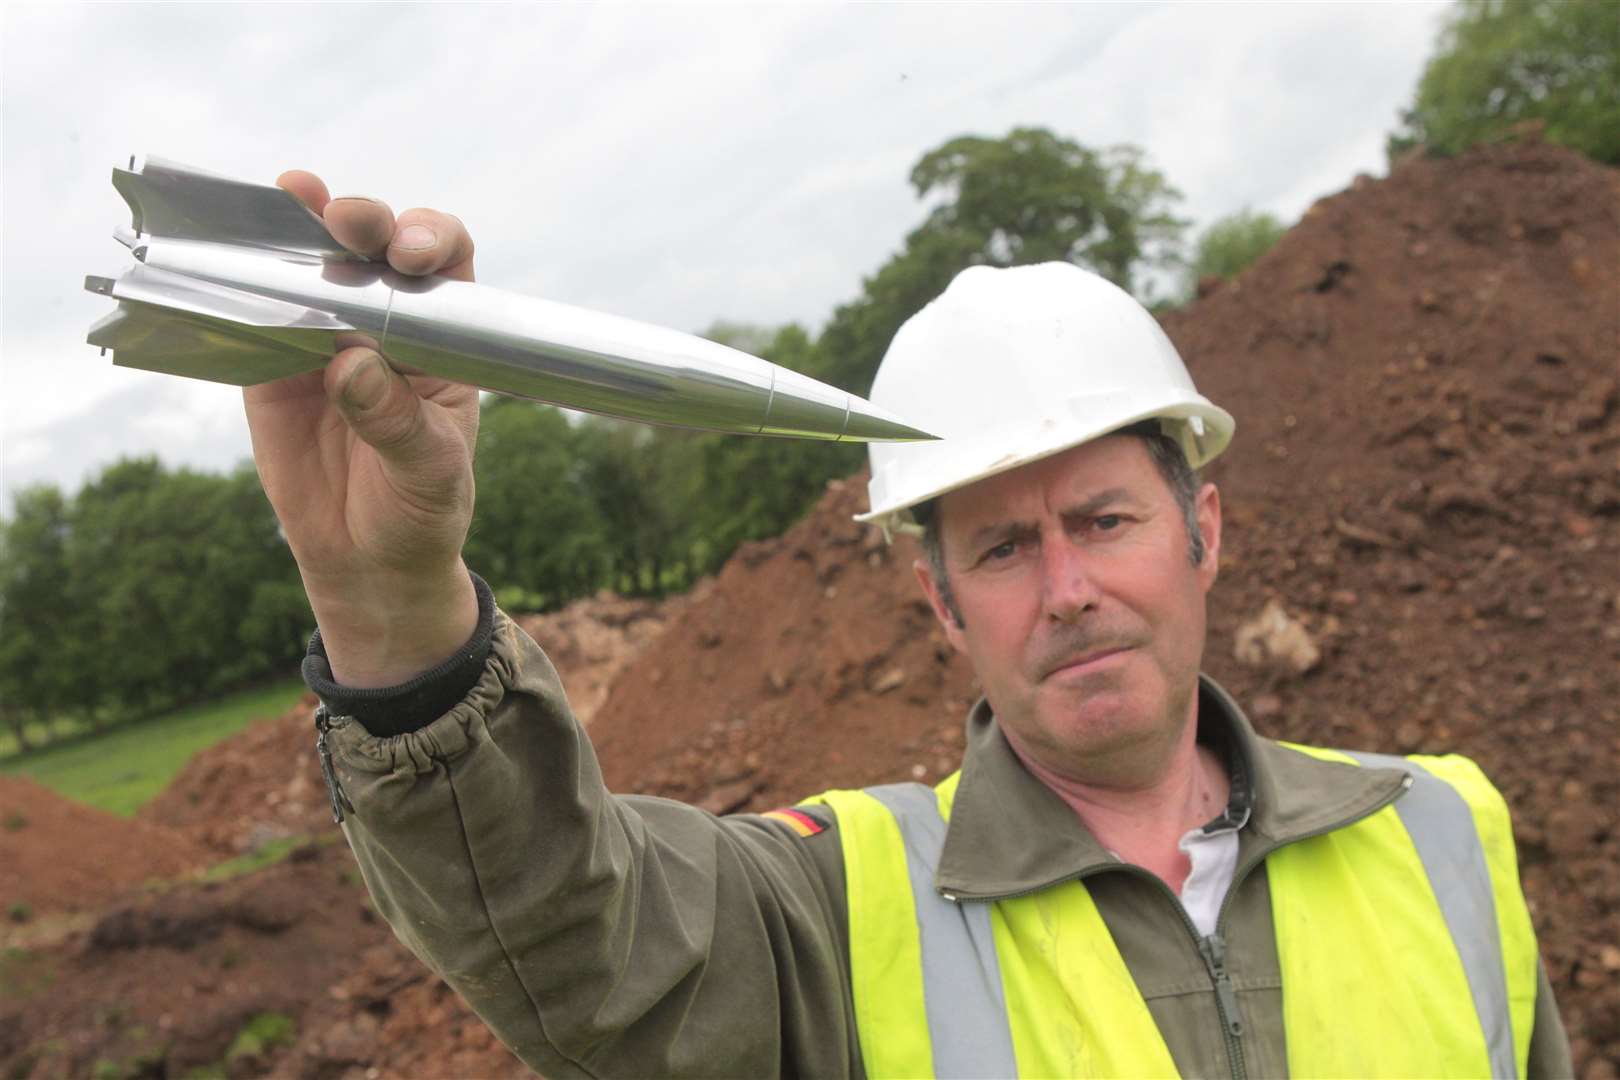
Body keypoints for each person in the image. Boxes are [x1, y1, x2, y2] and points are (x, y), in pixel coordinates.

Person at [250, 171, 1572, 1078]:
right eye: (1002, 547)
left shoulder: (1442, 834)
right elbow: (571, 934)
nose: (1067, 588)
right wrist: (392, 603)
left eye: (1105, 521)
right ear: (940, 603)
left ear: (1204, 533)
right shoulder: (843, 909)